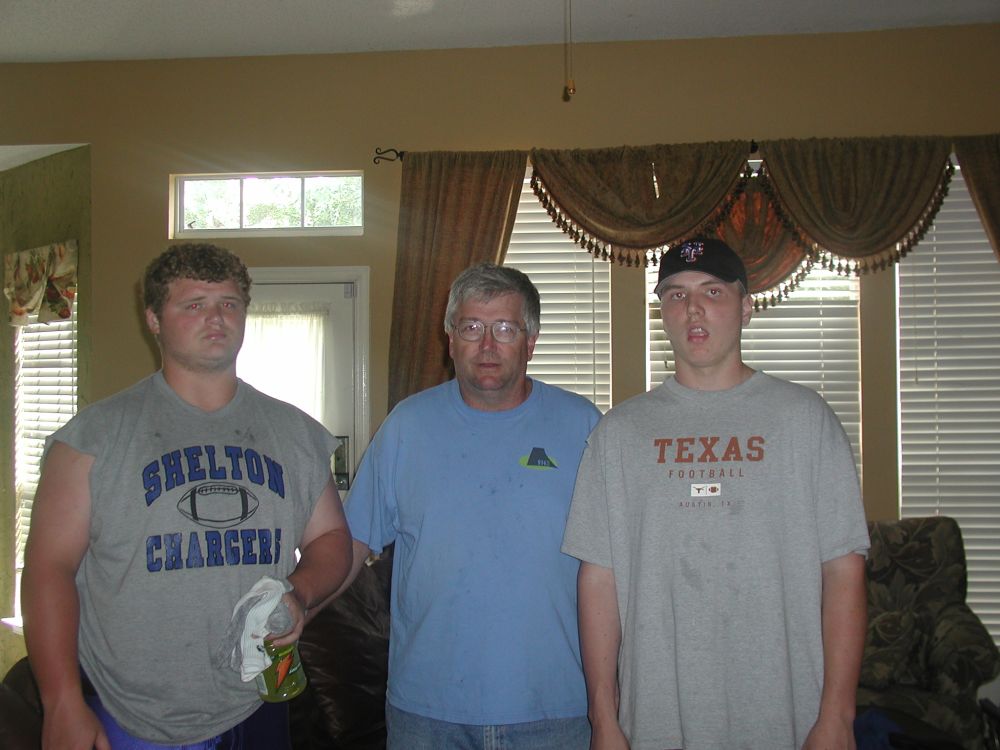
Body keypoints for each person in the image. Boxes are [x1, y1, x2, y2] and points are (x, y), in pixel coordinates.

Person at [22, 243, 353, 750]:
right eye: (194, 304)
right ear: (153, 319)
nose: (216, 318)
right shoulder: (92, 438)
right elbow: (49, 568)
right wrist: (61, 700)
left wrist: (300, 592)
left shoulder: (296, 433)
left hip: (258, 697)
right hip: (132, 711)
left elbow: (330, 537)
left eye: (229, 304)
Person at [562, 238, 870, 750]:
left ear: (746, 307)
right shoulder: (619, 433)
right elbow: (599, 580)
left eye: (712, 291)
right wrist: (604, 718)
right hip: (656, 723)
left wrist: (838, 714)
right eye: (676, 295)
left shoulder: (804, 419)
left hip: (787, 720)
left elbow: (843, 570)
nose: (693, 308)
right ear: (662, 312)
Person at [338, 263, 601, 749]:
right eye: (472, 327)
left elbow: (612, 567)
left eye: (505, 329)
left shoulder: (584, 425)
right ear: (450, 339)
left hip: (556, 708)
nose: (487, 346)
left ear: (531, 341)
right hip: (427, 712)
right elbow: (352, 541)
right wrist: (298, 599)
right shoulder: (406, 426)